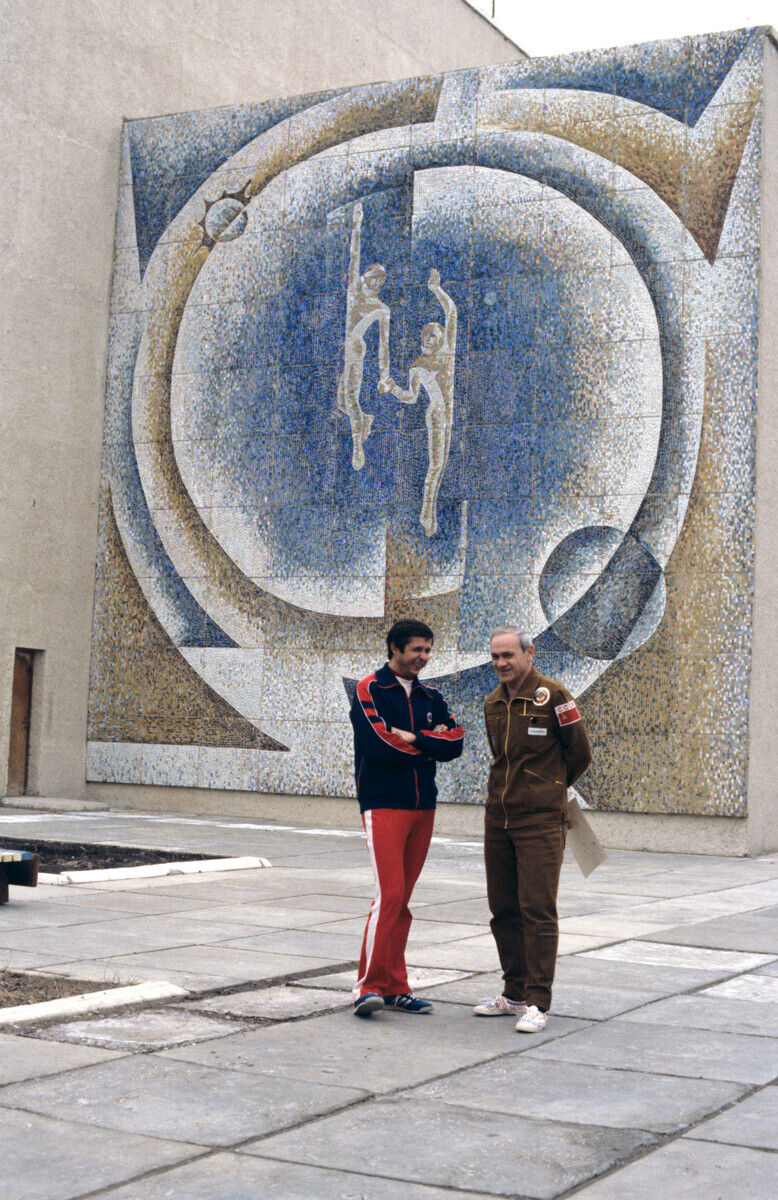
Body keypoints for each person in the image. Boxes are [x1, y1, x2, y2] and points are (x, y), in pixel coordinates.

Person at [474, 627, 592, 1032]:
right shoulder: (492, 702)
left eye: (508, 655)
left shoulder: (554, 696)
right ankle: (513, 993)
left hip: (540, 821)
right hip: (498, 818)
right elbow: (499, 756)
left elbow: (579, 753)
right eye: (495, 657)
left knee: (537, 911)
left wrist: (549, 790)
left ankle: (538, 1002)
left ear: (529, 653)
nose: (501, 664)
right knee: (502, 909)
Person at [349, 618, 464, 1017]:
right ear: (395, 648)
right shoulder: (369, 689)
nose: (423, 658)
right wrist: (430, 747)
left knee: (404, 900)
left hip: (423, 807)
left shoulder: (432, 696)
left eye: (428, 650)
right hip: (383, 805)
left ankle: (396, 986)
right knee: (390, 896)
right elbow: (379, 743)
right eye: (417, 650)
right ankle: (367, 987)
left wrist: (416, 738)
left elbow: (457, 743)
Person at [381, 269, 456, 537]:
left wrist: (437, 290)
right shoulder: (417, 365)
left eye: (433, 336)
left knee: (441, 466)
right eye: (426, 335)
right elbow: (411, 397)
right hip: (436, 415)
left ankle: (429, 511)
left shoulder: (447, 355)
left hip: (449, 415)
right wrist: (391, 389)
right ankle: (427, 513)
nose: (428, 338)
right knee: (435, 466)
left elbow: (451, 313)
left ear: (440, 340)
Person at [336, 202, 391, 471]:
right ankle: (365, 420)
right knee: (342, 402)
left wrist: (384, 374)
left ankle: (357, 445)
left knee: (349, 399)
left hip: (356, 349)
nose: (364, 280)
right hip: (347, 348)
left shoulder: (381, 309)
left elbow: (384, 345)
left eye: (371, 279)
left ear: (376, 282)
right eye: (366, 277)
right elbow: (353, 255)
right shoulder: (353, 291)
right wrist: (356, 225)